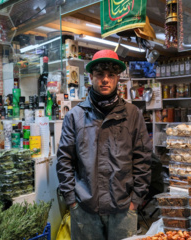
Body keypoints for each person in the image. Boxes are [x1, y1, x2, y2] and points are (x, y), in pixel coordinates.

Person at [56, 49, 152, 240]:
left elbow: (143, 158)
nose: (105, 79)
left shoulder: (133, 114)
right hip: (85, 209)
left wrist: (136, 200)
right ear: (91, 77)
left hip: (123, 210)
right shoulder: (75, 116)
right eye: (100, 74)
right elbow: (64, 160)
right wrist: (72, 201)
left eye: (111, 75)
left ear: (117, 78)